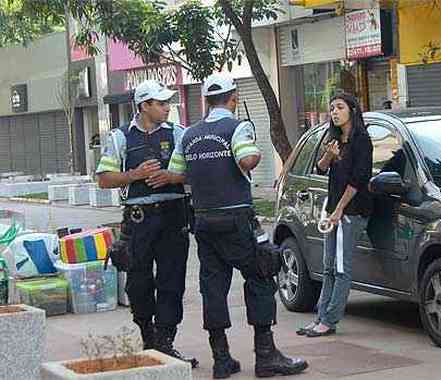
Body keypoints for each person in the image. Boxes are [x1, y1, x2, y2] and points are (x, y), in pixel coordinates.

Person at [167, 72, 308, 379]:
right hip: (236, 220)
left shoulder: (189, 134)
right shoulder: (238, 126)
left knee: (212, 288)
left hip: (203, 220)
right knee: (261, 275)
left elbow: (176, 173)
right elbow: (247, 160)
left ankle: (221, 360)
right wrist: (254, 152)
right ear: (234, 99)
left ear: (206, 101)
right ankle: (266, 356)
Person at [96, 79, 197, 367]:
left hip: (173, 215)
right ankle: (147, 337)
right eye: (161, 103)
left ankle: (165, 342)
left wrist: (171, 177)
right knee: (139, 282)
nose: (168, 107)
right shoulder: (120, 137)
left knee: (172, 280)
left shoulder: (179, 133)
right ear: (144, 106)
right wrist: (135, 174)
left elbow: (197, 172)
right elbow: (104, 178)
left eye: (168, 103)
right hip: (138, 219)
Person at [296, 93, 373, 338]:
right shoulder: (335, 138)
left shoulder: (362, 140)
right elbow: (320, 168)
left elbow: (359, 179)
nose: (335, 112)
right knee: (328, 266)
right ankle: (320, 317)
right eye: (332, 108)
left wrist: (340, 209)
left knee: (341, 268)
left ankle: (330, 319)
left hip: (350, 211)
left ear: (352, 110)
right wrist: (329, 155)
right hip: (333, 210)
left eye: (340, 107)